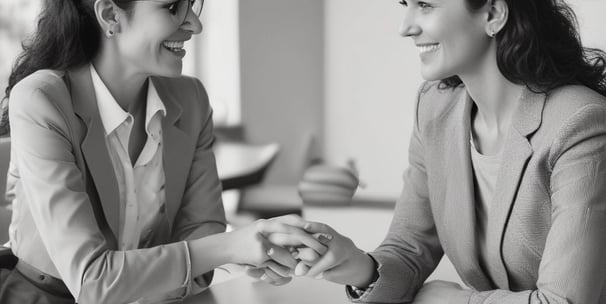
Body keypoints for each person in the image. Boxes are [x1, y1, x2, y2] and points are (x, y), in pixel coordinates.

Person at [265, 0, 606, 303]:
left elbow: (564, 300)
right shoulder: (435, 108)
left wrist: (455, 300)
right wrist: (356, 265)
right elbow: (409, 249)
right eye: (405, 4)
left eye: (425, 5)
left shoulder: (580, 122)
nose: (405, 27)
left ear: (493, 13)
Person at [0, 0, 324, 303]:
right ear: (111, 16)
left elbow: (203, 230)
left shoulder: (190, 99)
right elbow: (92, 280)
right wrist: (231, 247)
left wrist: (244, 253)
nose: (195, 25)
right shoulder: (41, 98)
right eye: (172, 7)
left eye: (192, 6)